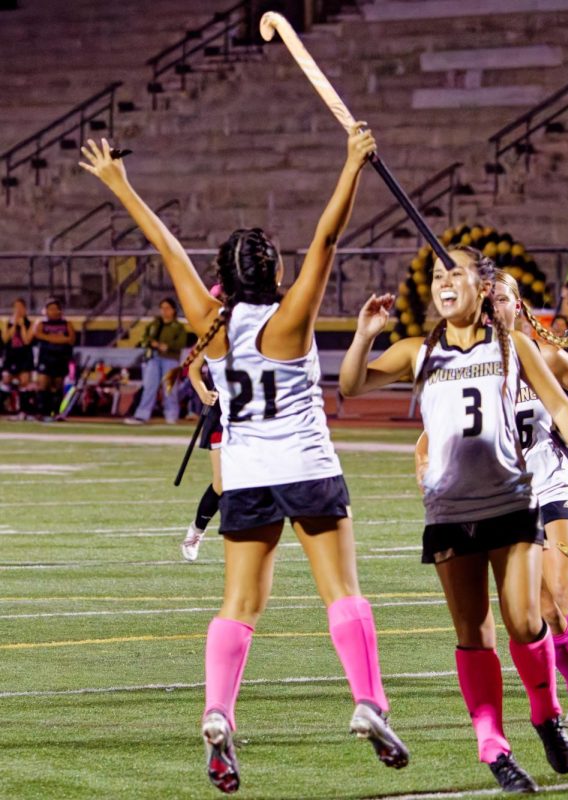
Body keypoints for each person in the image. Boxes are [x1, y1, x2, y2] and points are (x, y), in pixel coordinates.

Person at [82, 129, 410, 794]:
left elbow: (167, 247)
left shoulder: (211, 319)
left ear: (226, 277)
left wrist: (119, 185)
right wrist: (350, 165)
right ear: (276, 272)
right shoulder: (290, 318)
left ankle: (217, 712)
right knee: (342, 594)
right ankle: (369, 701)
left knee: (238, 605)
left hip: (249, 477)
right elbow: (327, 240)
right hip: (307, 469)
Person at [339, 247, 568, 793]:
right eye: (439, 276)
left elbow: (562, 406)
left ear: (482, 288)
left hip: (511, 504)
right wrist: (364, 333)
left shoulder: (511, 345)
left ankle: (545, 713)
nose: (445, 284)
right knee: (474, 634)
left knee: (525, 621)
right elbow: (351, 385)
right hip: (449, 512)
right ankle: (493, 745)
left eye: (456, 275)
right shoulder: (418, 352)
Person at [414, 271, 568, 736]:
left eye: (502, 299)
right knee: (538, 610)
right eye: (487, 300)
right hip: (504, 502)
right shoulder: (469, 366)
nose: (494, 307)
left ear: (519, 306)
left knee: (565, 587)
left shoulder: (545, 357)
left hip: (552, 485)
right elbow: (427, 441)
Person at [180, 348, 223, 562]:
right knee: (222, 482)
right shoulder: (213, 329)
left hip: (254, 416)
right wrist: (204, 393)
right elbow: (194, 369)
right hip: (223, 415)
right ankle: (197, 530)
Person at [127, 297, 189, 425]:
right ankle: (142, 415)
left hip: (170, 359)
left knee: (169, 388)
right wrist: (152, 343)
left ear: (173, 310)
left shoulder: (178, 327)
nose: (164, 311)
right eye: (162, 308)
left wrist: (168, 346)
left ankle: (171, 415)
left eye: (167, 308)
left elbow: (182, 342)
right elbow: (144, 338)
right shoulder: (154, 324)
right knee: (149, 387)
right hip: (153, 358)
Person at [31, 297, 75, 421]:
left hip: (61, 357)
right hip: (45, 358)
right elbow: (38, 335)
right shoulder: (41, 323)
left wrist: (50, 337)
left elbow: (70, 339)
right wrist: (59, 338)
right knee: (43, 384)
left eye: (56, 309)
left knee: (57, 385)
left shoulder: (67, 324)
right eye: (50, 309)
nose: (54, 311)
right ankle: (41, 412)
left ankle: (55, 412)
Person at [2, 298, 35, 416]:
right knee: (6, 380)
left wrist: (22, 326)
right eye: (16, 307)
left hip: (24, 355)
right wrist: (15, 324)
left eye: (21, 307)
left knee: (24, 381)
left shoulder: (30, 323)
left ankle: (24, 409)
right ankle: (5, 406)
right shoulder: (8, 322)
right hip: (11, 355)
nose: (18, 310)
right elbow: (6, 339)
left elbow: (26, 340)